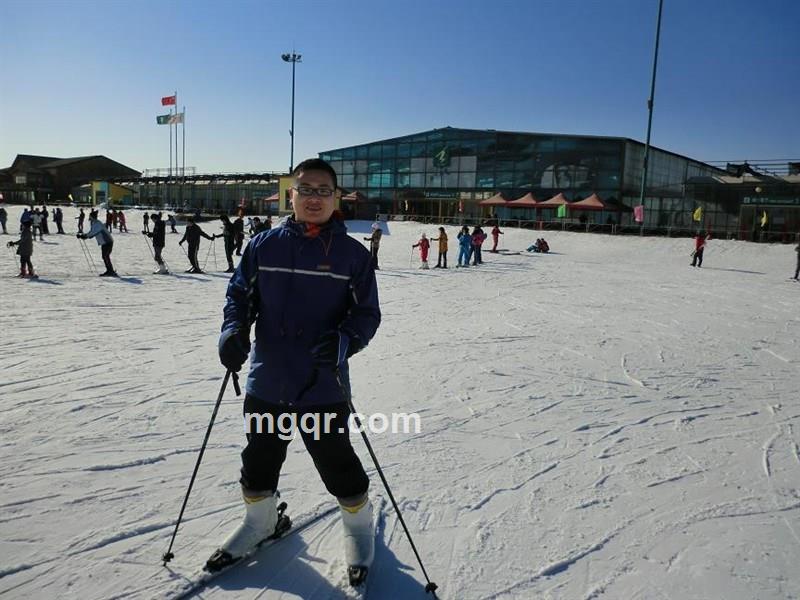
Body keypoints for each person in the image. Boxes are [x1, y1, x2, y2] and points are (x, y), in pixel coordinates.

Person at [210, 158, 380, 584]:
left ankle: (359, 528)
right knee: (259, 459)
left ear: (335, 197)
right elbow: (239, 296)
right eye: (306, 189)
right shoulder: (264, 245)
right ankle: (260, 521)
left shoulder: (352, 256)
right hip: (267, 380)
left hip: (323, 386)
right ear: (292, 195)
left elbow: (366, 316)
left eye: (324, 190)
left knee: (336, 462)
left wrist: (343, 341)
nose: (314, 198)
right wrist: (233, 332)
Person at [78, 210, 117, 276]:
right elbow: (91, 232)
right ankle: (110, 270)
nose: (89, 218)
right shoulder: (95, 223)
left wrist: (84, 236)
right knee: (105, 256)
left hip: (107, 242)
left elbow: (92, 233)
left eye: (90, 217)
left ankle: (110, 271)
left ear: (92, 217)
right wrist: (83, 236)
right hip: (105, 242)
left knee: (105, 256)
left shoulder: (97, 224)